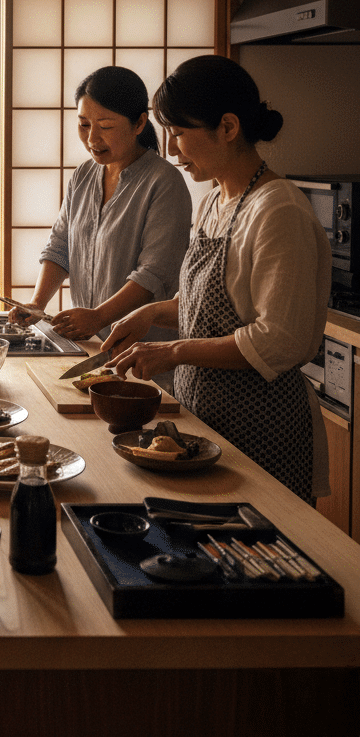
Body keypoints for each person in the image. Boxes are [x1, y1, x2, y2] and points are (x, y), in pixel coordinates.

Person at [102, 55, 330, 503]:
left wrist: (173, 351)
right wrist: (148, 313)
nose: (170, 150)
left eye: (180, 134)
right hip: (206, 423)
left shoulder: (278, 210)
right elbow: (205, 304)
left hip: (262, 430)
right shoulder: (213, 203)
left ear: (227, 127)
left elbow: (278, 338)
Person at [10, 65, 192, 348]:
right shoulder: (83, 175)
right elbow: (60, 247)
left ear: (139, 124)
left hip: (143, 349)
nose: (92, 138)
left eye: (105, 126)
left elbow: (154, 273)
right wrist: (36, 303)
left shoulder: (164, 182)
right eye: (84, 125)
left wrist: (98, 317)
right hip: (90, 344)